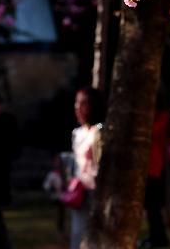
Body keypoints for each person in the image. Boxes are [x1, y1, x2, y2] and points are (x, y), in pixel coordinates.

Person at [69, 87, 104, 249]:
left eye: (84, 104)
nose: (78, 108)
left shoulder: (100, 131)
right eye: (77, 104)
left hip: (98, 191)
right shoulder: (77, 133)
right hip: (81, 190)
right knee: (78, 233)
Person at [142, 95, 170, 248]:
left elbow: (151, 133)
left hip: (153, 166)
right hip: (145, 166)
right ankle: (155, 237)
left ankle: (158, 238)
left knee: (153, 207)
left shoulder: (162, 116)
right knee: (150, 207)